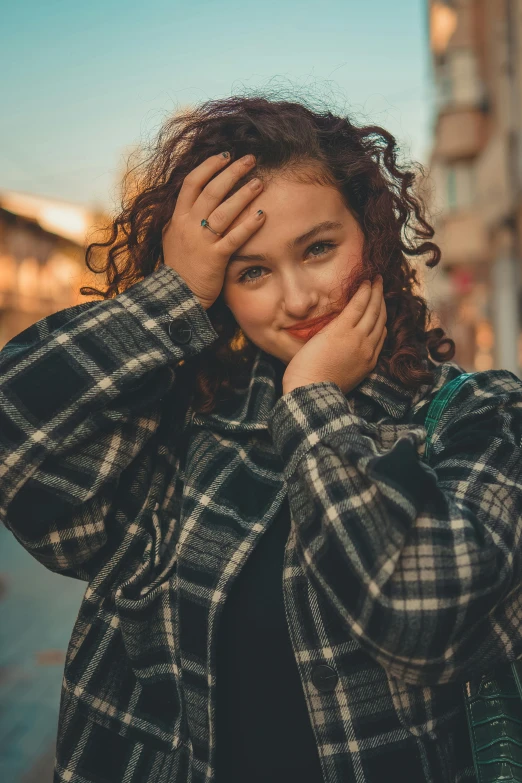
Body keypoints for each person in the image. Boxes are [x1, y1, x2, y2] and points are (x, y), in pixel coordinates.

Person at [1, 94, 522, 783]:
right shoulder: (183, 431)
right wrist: (172, 296)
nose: (299, 297)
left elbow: (424, 620)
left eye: (319, 248)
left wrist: (311, 405)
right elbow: (18, 445)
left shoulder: (480, 416)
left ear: (372, 232)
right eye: (252, 271)